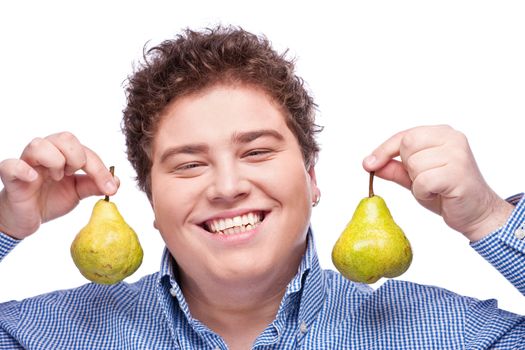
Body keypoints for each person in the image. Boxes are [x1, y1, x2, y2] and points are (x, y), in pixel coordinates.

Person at [0, 25, 523, 349]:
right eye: (187, 165)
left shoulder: (448, 334)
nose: (228, 187)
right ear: (151, 202)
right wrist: (6, 227)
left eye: (256, 152)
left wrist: (489, 220)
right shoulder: (43, 335)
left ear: (312, 179)